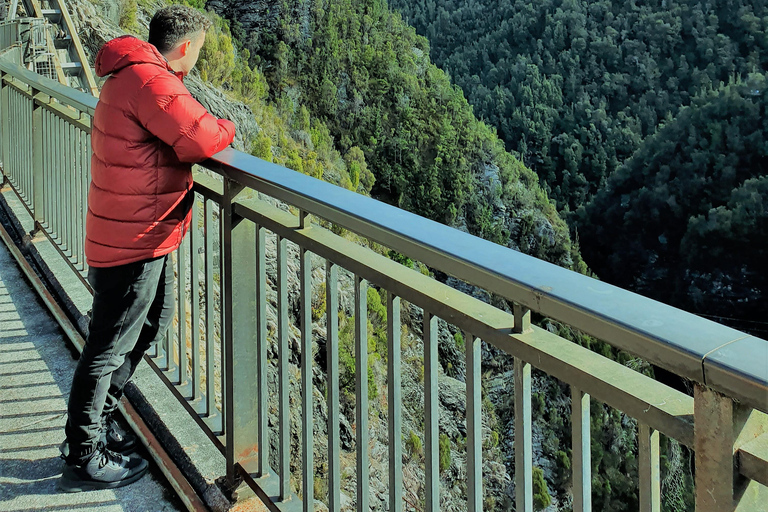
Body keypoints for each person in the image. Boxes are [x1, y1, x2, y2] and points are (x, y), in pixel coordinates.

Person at [59, 5, 236, 492]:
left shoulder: (129, 76)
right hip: (133, 242)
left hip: (136, 234)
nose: (197, 57)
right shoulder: (151, 81)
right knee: (108, 345)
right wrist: (230, 128)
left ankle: (101, 423)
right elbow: (200, 137)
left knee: (148, 323)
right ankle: (83, 452)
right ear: (185, 47)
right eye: (198, 49)